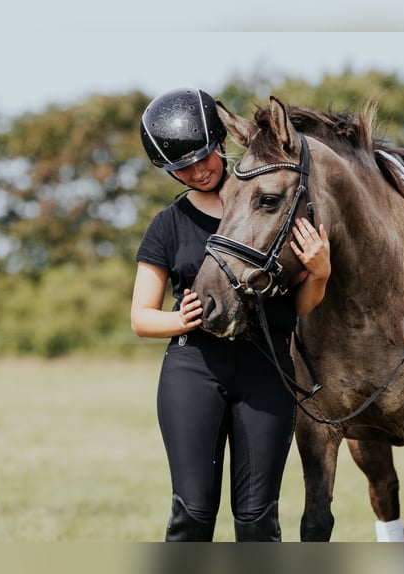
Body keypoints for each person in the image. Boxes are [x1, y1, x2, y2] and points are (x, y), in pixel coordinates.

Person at [130, 88, 331, 542]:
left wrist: (319, 273)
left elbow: (297, 308)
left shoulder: (272, 211)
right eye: (182, 167)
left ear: (221, 144)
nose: (198, 171)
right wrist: (182, 319)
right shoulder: (168, 224)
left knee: (259, 521)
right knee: (192, 515)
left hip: (268, 369)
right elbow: (141, 317)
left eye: (203, 157)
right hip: (193, 369)